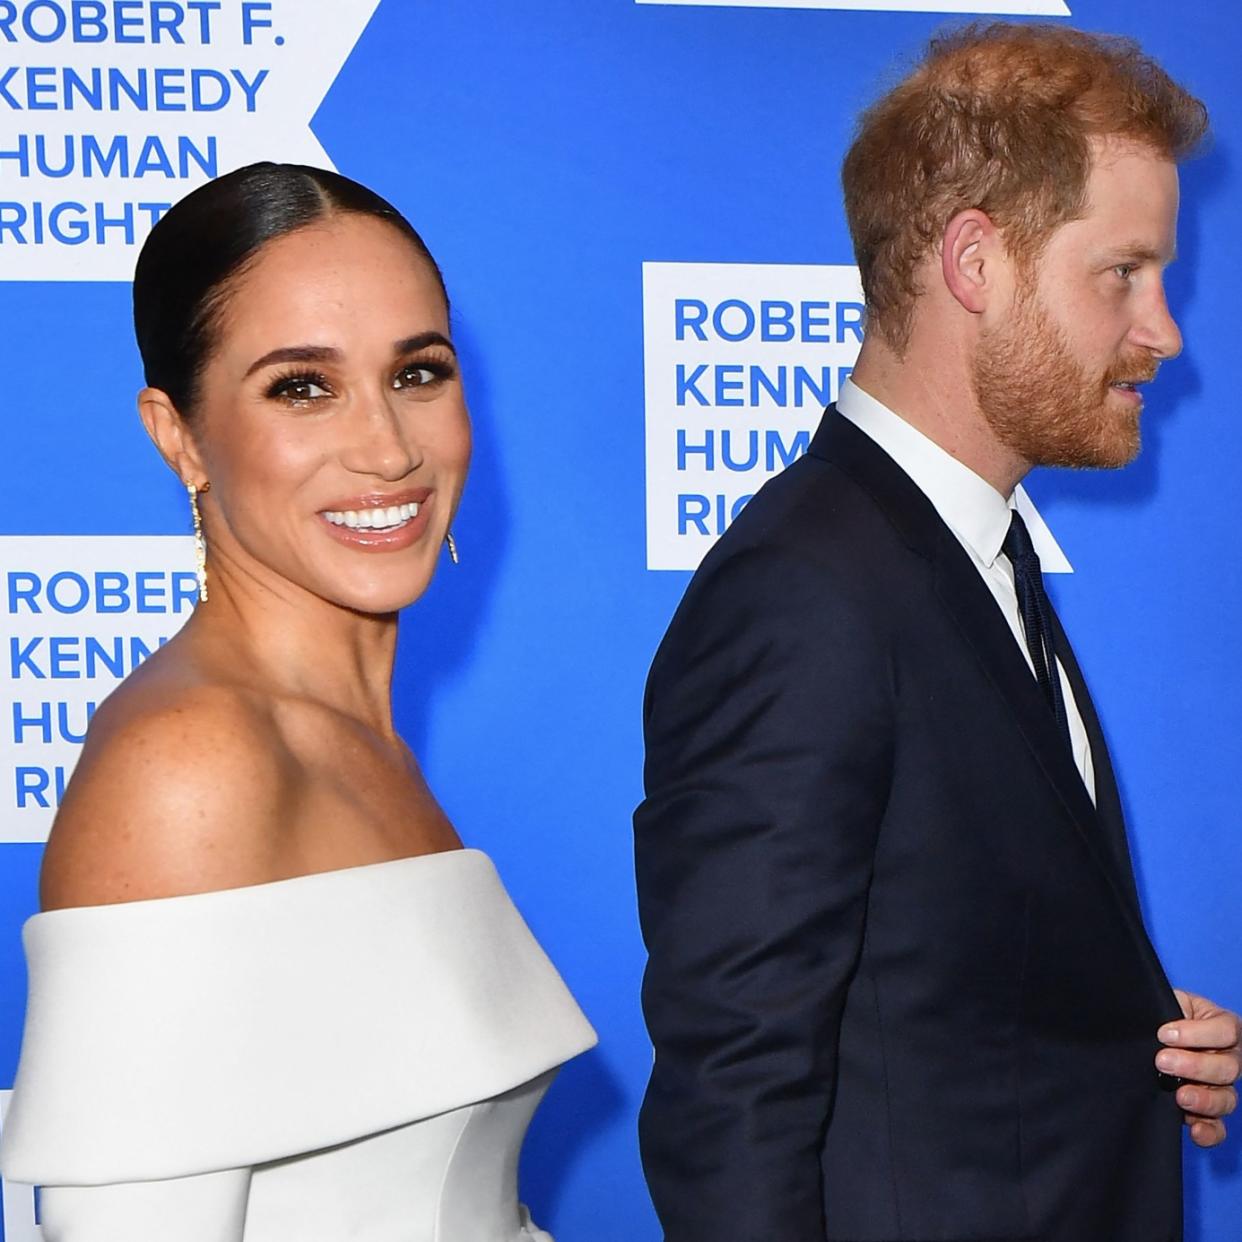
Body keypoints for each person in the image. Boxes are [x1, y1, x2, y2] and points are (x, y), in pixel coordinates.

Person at [634, 23, 1241, 1242]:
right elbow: (735, 1101)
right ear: (977, 262)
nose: (1164, 329)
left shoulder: (966, 553)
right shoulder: (805, 590)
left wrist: (1121, 1027)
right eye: (1122, 273)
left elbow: (926, 977)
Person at [0, 162, 596, 1240]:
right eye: (302, 387)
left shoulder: (356, 745)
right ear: (177, 434)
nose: (388, 449)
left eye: (418, 372)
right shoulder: (189, 765)